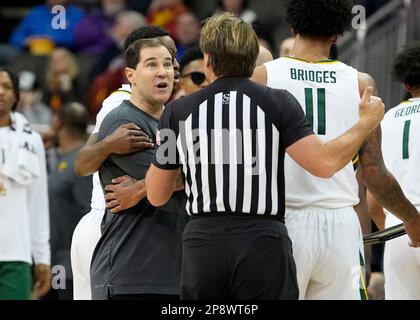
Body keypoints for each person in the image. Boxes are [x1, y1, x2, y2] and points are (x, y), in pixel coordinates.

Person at [145, 12, 384, 300]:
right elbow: (324, 164)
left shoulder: (177, 111)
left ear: (207, 61)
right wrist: (365, 122)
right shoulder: (277, 101)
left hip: (203, 243)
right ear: (252, 58)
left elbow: (157, 195)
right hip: (262, 240)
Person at [252, 0, 420, 299]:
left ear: (292, 27)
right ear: (337, 35)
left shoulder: (262, 77)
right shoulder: (360, 83)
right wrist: (411, 217)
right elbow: (373, 172)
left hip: (280, 221)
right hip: (339, 225)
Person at [71, 25, 179, 300]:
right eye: (153, 63)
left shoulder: (174, 116)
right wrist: (109, 146)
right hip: (112, 231)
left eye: (169, 61)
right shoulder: (120, 111)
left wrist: (142, 187)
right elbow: (82, 163)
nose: (168, 69)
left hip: (163, 258)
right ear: (131, 73)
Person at [367, 45, 420, 299]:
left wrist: (399, 225)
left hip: (397, 232)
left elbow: (373, 201)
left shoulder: (386, 119)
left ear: (406, 85)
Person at [0, 67, 51, 300]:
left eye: (7, 87)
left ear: (16, 96)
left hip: (15, 254)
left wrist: (42, 257)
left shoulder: (31, 140)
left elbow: (38, 201)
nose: (1, 92)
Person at [45, 102, 92, 300]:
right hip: (57, 261)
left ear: (58, 123)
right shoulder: (65, 159)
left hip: (73, 265)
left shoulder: (82, 162)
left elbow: (88, 213)